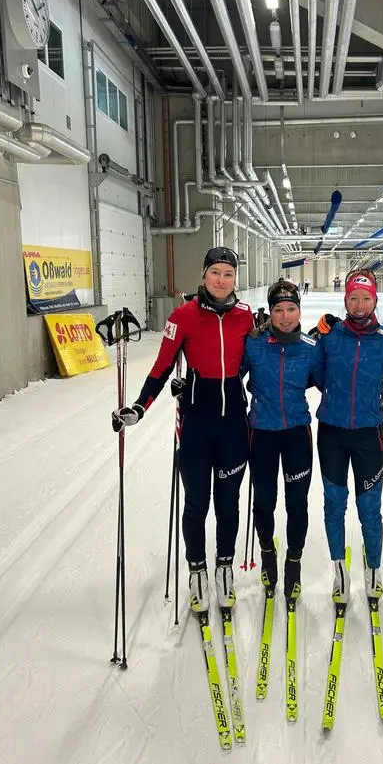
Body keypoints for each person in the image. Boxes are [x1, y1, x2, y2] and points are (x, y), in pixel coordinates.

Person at [111, 247, 254, 614]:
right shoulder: (183, 316)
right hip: (196, 423)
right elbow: (161, 367)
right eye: (215, 273)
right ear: (204, 275)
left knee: (228, 503)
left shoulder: (244, 316)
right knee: (196, 503)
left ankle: (224, 567)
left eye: (228, 274)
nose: (221, 280)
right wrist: (140, 406)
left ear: (235, 279)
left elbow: (259, 363)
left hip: (234, 424)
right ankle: (196, 570)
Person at [312, 270, 383, 603]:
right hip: (332, 434)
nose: (360, 304)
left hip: (369, 436)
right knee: (334, 505)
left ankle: (374, 567)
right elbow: (319, 376)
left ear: (375, 300)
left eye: (366, 298)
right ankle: (338, 568)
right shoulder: (330, 336)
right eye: (354, 298)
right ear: (345, 299)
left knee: (369, 508)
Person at [242, 278, 321, 601]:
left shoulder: (312, 348)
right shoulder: (254, 344)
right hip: (260, 433)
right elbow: (229, 377)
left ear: (299, 310)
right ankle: (268, 554)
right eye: (278, 310)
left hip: (296, 434)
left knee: (297, 503)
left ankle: (294, 562)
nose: (285, 316)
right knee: (263, 502)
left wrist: (374, 395)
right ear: (270, 312)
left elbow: (334, 381)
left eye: (291, 309)